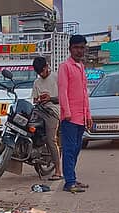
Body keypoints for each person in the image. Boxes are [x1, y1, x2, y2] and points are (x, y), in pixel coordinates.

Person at [57, 34, 91, 193]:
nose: (79, 51)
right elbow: (62, 91)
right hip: (70, 117)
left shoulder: (81, 67)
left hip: (81, 117)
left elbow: (84, 93)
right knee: (69, 150)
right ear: (70, 49)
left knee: (76, 149)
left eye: (82, 48)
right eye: (76, 47)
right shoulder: (65, 67)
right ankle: (69, 182)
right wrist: (67, 112)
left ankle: (72, 178)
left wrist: (88, 115)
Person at [31, 57, 62, 181]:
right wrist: (39, 99)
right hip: (39, 109)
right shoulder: (36, 82)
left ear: (47, 67)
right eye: (39, 73)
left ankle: (58, 171)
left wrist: (50, 98)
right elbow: (34, 99)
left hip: (53, 112)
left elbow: (64, 98)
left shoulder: (57, 78)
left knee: (51, 140)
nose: (41, 74)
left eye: (42, 71)